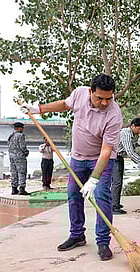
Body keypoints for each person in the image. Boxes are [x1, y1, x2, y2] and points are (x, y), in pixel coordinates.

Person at [21, 74, 122, 261]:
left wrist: (94, 179)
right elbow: (64, 105)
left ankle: (103, 242)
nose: (104, 103)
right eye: (100, 98)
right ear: (91, 91)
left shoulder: (114, 114)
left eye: (109, 98)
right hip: (77, 158)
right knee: (73, 195)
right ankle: (77, 235)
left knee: (101, 196)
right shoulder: (79, 94)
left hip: (100, 159)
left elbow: (107, 150)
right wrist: (38, 109)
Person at [111, 118, 140, 215]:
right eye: (139, 129)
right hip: (114, 158)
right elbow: (130, 153)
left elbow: (126, 147)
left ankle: (115, 203)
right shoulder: (126, 134)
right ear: (133, 126)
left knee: (118, 182)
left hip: (119, 157)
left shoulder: (129, 135)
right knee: (117, 182)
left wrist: (137, 144)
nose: (139, 132)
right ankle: (114, 207)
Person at [8, 122, 30, 195]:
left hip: (11, 156)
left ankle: (14, 189)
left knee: (14, 172)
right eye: (22, 127)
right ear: (19, 128)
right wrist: (26, 152)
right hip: (19, 156)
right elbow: (22, 146)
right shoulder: (20, 135)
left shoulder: (11, 136)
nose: (23, 129)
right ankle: (22, 189)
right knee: (22, 172)